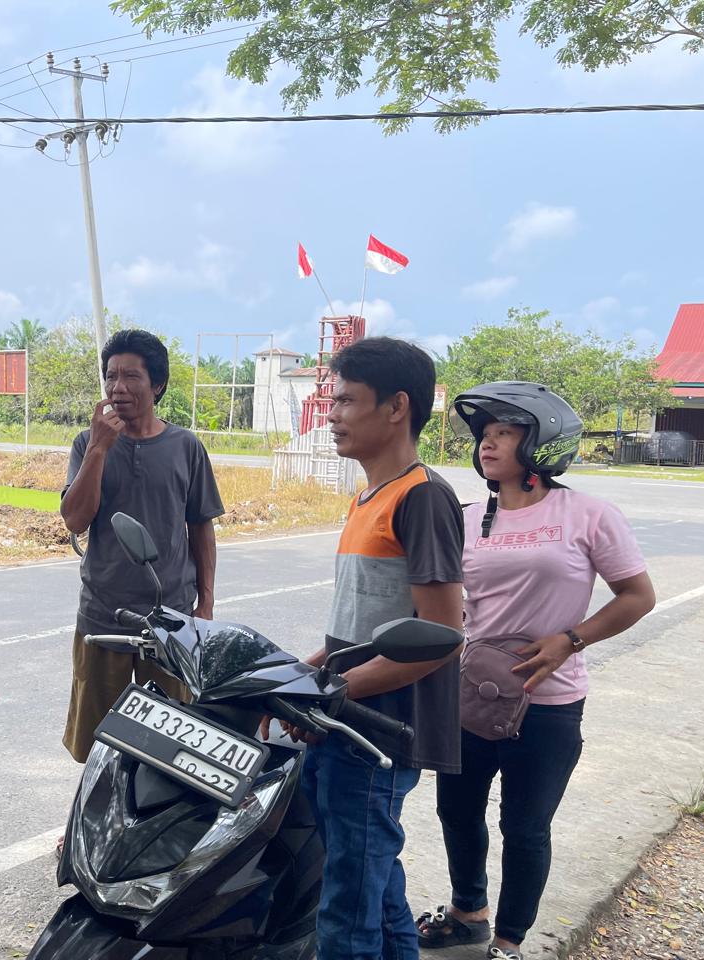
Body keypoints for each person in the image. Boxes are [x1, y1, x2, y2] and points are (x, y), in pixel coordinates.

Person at [416, 382, 655, 960]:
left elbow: (637, 596)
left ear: (542, 443)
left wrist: (571, 641)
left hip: (548, 702)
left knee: (525, 827)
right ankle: (468, 913)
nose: (488, 443)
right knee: (456, 812)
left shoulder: (588, 515)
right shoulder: (467, 518)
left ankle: (508, 941)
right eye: (485, 434)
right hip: (472, 693)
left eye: (504, 433)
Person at [282, 336, 466, 960]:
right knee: (375, 888)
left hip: (378, 734)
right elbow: (361, 628)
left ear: (396, 407)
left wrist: (332, 691)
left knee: (347, 905)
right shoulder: (368, 496)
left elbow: (440, 636)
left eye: (346, 401)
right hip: (346, 724)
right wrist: (303, 671)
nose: (332, 414)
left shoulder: (422, 497)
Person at [59, 329, 225, 764]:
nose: (118, 387)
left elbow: (201, 529)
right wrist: (99, 449)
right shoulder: (86, 443)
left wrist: (205, 604)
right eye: (111, 376)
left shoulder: (186, 447)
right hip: (103, 616)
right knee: (97, 747)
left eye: (131, 376)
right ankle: (98, 810)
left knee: (171, 748)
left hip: (170, 622)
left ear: (158, 385)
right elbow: (75, 520)